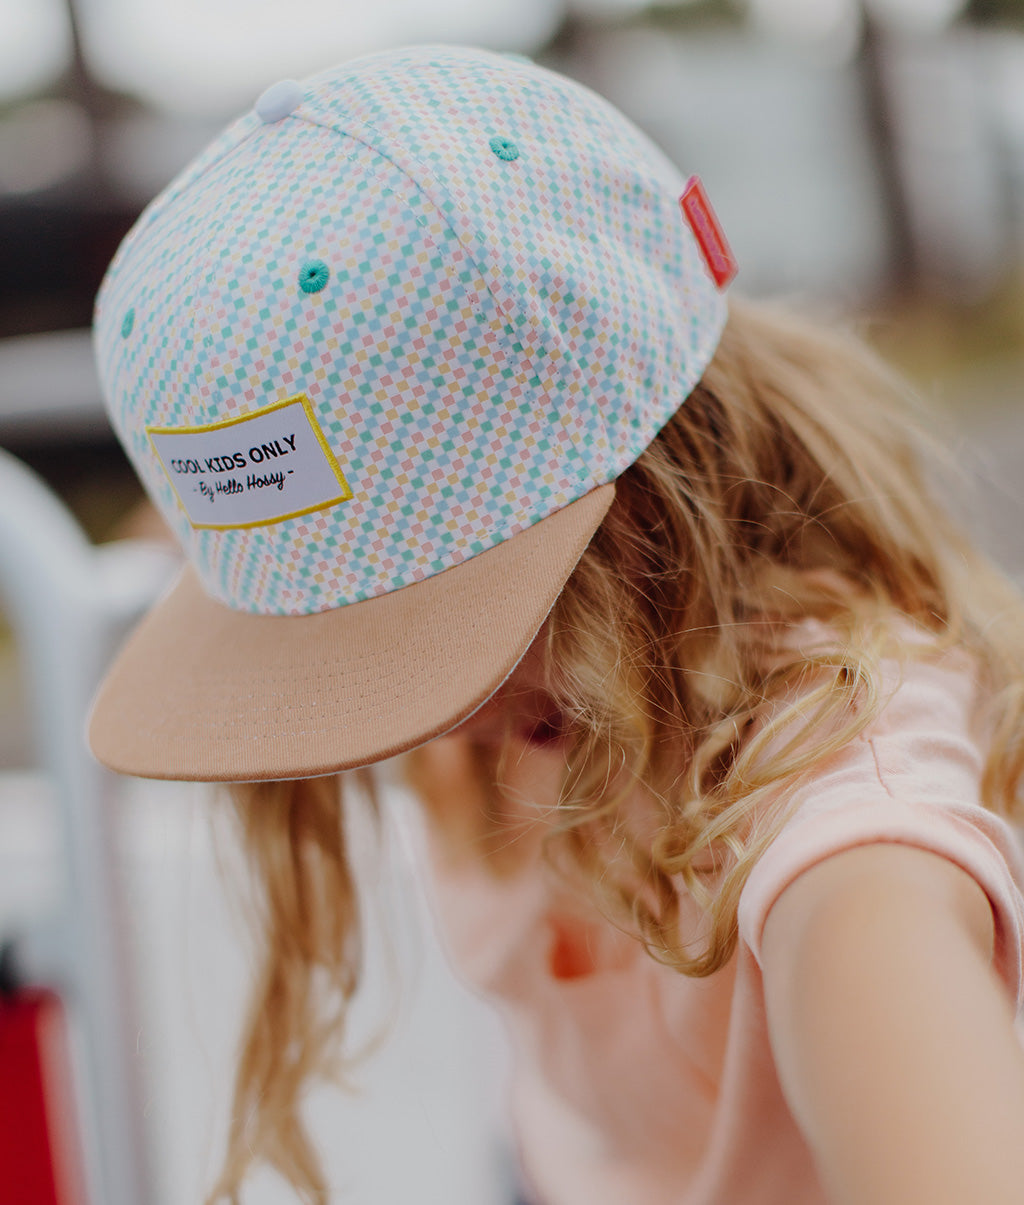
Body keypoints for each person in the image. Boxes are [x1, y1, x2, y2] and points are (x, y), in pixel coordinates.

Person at [87, 44, 1024, 1205]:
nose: (391, 718)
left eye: (410, 625)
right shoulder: (525, 632)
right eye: (319, 637)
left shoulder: (842, 823)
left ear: (637, 497)